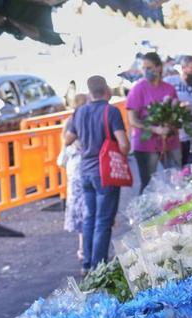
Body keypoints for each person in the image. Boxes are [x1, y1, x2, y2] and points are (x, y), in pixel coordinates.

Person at [65, 76, 130, 273]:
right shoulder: (111, 112)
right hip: (105, 173)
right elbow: (124, 144)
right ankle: (98, 266)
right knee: (103, 221)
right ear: (107, 90)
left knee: (89, 218)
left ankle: (86, 264)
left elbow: (68, 139)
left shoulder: (80, 111)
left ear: (89, 91)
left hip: (85, 171)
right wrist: (123, 152)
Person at [127, 52, 181, 192]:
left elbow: (176, 113)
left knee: (177, 181)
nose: (146, 71)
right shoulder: (138, 89)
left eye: (149, 67)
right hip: (146, 145)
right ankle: (147, 213)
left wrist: (170, 125)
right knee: (148, 185)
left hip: (170, 142)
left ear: (159, 67)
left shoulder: (169, 89)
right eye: (144, 68)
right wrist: (155, 129)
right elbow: (132, 120)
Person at [58, 93, 88, 260]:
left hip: (75, 170)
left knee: (81, 213)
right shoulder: (81, 120)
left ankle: (83, 249)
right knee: (88, 211)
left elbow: (66, 140)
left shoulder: (71, 120)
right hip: (84, 169)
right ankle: (85, 250)